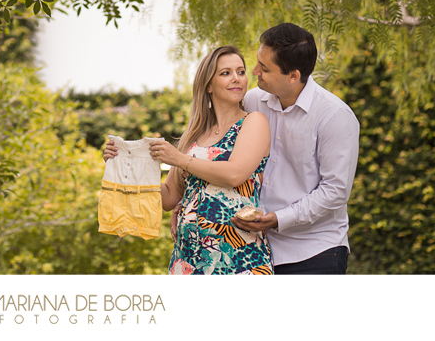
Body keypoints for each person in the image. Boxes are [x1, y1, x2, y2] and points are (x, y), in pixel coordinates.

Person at [104, 45, 273, 275]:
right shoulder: (192, 137)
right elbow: (168, 198)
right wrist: (122, 164)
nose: (236, 78)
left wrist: (180, 159)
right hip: (189, 261)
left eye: (241, 72)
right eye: (225, 73)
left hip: (239, 259)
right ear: (208, 86)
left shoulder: (254, 122)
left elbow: (235, 174)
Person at [229, 23, 360, 275]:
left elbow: (336, 191)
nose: (255, 71)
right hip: (256, 251)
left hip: (315, 252)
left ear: (293, 76)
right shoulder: (253, 101)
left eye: (264, 68)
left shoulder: (335, 116)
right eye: (258, 62)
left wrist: (279, 219)